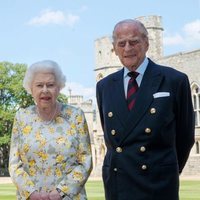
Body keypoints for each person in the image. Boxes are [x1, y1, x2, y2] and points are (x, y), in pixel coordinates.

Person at [96, 19, 195, 200]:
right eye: (121, 43)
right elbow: (111, 138)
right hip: (118, 184)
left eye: (134, 42)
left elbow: (185, 136)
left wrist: (166, 169)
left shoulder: (174, 80)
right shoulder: (104, 86)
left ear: (147, 43)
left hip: (158, 183)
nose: (127, 48)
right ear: (114, 48)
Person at [9, 60, 93, 200]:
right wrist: (32, 193)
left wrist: (61, 192)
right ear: (31, 88)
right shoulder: (21, 117)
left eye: (51, 85)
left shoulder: (76, 116)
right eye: (39, 85)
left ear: (59, 87)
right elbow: (14, 164)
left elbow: (85, 161)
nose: (45, 90)